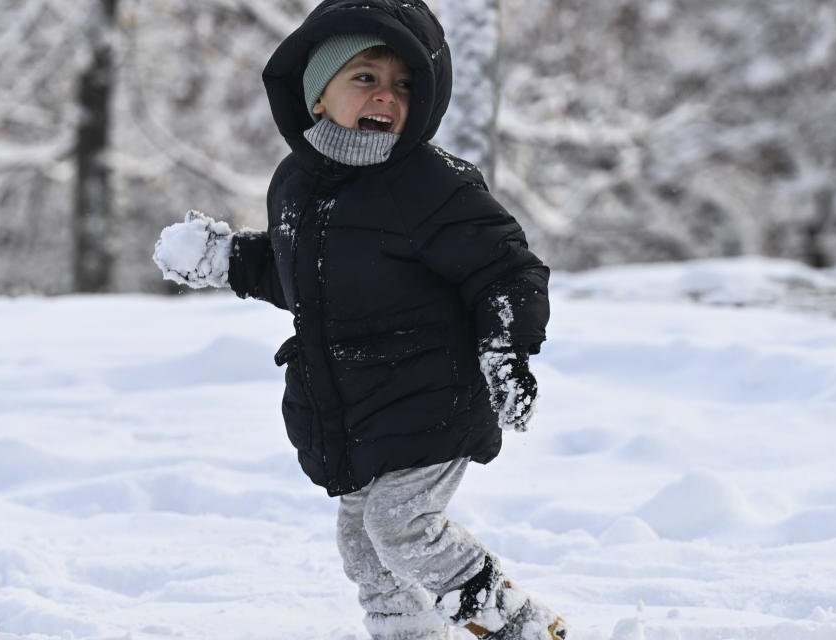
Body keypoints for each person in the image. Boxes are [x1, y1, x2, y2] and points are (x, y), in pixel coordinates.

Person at [150, 2, 565, 639]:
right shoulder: (297, 182)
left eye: (403, 84)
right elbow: (300, 277)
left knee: (403, 529)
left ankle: (520, 628)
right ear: (319, 93)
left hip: (432, 396)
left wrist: (504, 351)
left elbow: (505, 270)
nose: (386, 96)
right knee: (365, 547)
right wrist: (227, 257)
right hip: (358, 408)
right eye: (365, 77)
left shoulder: (433, 185)